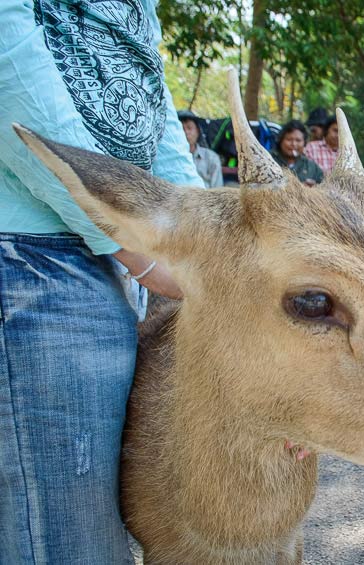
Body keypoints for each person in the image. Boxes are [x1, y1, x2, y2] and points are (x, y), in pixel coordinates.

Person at [0, 1, 202, 562]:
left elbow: (152, 103)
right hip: (37, 261)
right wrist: (132, 248)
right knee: (67, 541)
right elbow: (13, 73)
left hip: (111, 260)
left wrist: (198, 231)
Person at [178, 110, 224, 188]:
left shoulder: (211, 158)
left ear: (198, 131)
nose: (186, 132)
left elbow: (217, 190)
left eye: (189, 128)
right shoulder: (172, 158)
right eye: (181, 129)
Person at [271, 119, 324, 186]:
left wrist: (314, 188)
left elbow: (323, 187)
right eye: (289, 139)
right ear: (280, 140)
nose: (293, 144)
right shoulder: (268, 159)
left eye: (298, 140)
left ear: (304, 143)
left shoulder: (311, 167)